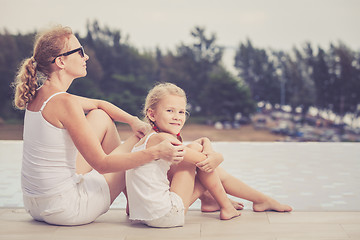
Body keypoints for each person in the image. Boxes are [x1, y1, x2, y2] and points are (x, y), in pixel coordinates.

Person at [12, 25, 185, 226]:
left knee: (101, 116)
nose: (86, 57)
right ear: (61, 61)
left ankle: (132, 202)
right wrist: (155, 151)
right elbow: (102, 165)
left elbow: (101, 104)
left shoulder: (42, 94)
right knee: (142, 141)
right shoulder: (64, 103)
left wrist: (133, 120)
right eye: (80, 52)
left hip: (36, 204)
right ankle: (140, 203)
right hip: (66, 208)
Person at [126, 83, 292, 227]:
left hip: (145, 215)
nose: (177, 117)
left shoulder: (149, 138)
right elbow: (205, 161)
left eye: (182, 112)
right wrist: (218, 156)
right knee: (202, 160)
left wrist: (206, 142)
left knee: (195, 151)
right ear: (152, 114)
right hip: (165, 216)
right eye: (170, 111)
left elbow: (194, 153)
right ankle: (229, 205)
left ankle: (213, 201)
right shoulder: (162, 139)